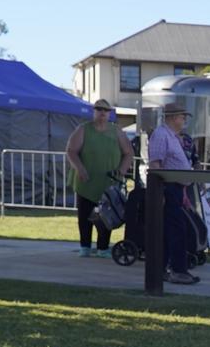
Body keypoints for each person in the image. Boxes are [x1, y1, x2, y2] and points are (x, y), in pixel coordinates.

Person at [65, 99, 133, 258]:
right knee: (85, 215)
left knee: (107, 216)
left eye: (105, 110)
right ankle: (85, 246)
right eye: (99, 109)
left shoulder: (116, 131)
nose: (102, 113)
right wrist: (80, 169)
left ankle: (103, 248)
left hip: (108, 183)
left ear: (109, 113)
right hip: (86, 182)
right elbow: (71, 151)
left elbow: (128, 153)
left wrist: (122, 171)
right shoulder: (83, 129)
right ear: (93, 111)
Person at [147, 102, 198, 285]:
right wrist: (159, 192)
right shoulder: (161, 135)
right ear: (173, 117)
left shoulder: (173, 136)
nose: (184, 120)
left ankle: (163, 269)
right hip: (167, 189)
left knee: (172, 231)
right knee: (176, 231)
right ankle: (178, 270)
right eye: (182, 117)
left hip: (175, 189)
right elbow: (156, 164)